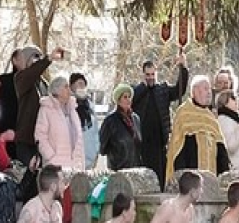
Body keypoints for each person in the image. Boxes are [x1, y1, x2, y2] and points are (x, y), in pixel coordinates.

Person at [132, 53, 189, 189]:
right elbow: (132, 99)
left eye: (153, 74)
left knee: (160, 175)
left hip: (159, 142)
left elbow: (179, 90)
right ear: (143, 75)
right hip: (142, 143)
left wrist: (183, 69)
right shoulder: (137, 91)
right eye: (147, 75)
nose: (150, 77)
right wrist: (143, 87)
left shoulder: (162, 90)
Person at [166, 75, 230, 179]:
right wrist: (182, 176)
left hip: (211, 177)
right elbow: (178, 148)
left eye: (209, 89)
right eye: (205, 88)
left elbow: (220, 148)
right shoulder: (184, 113)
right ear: (195, 91)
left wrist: (224, 173)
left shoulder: (211, 117)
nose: (209, 92)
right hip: (191, 176)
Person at [13, 46, 65, 165]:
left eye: (39, 57)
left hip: (41, 140)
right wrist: (48, 59)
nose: (37, 60)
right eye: (34, 57)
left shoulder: (44, 84)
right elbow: (32, 73)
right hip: (26, 141)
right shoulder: (20, 78)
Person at [35, 76, 85, 170]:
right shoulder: (46, 109)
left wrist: (80, 162)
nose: (69, 90)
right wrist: (50, 156)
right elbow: (40, 136)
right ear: (57, 91)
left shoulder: (72, 109)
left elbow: (78, 136)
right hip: (55, 165)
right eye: (66, 87)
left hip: (74, 165)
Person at [98, 84, 143, 171]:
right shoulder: (110, 121)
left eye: (129, 97)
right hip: (117, 169)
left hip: (135, 169)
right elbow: (102, 147)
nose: (128, 100)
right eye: (125, 97)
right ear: (118, 101)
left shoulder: (136, 119)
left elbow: (139, 144)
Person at [216, 90, 239, 171]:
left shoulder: (236, 118)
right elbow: (230, 146)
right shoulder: (224, 119)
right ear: (224, 102)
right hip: (237, 169)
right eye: (233, 98)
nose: (237, 99)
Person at [70, 73, 99, 169]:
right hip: (72, 157)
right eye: (79, 84)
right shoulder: (68, 106)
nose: (81, 87)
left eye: (83, 84)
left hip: (89, 156)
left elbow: (95, 131)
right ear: (71, 86)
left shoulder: (90, 106)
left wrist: (96, 151)